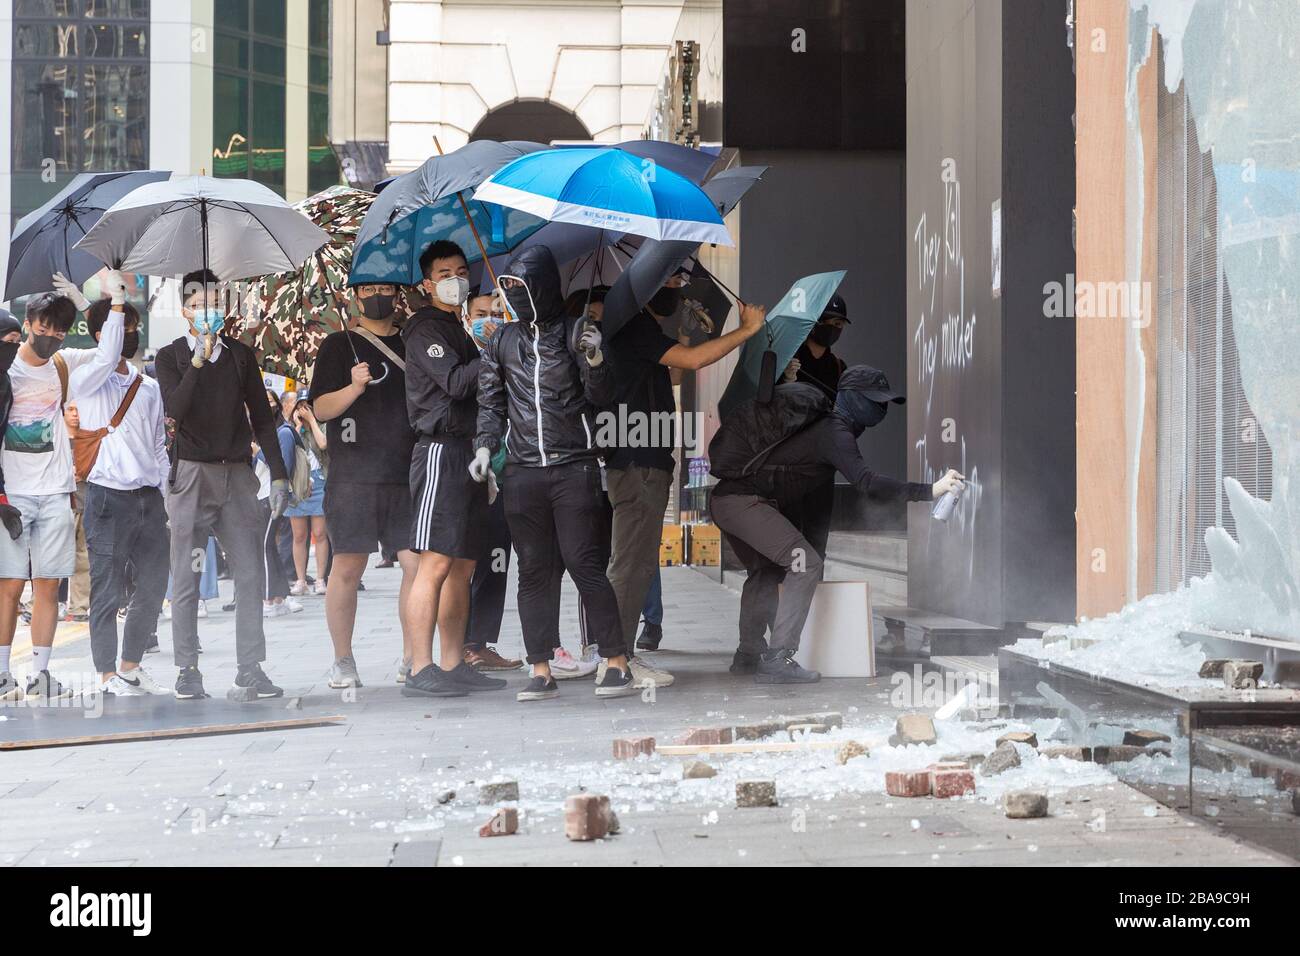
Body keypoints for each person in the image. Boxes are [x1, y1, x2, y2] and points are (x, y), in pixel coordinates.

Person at [709, 366, 964, 682]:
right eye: (874, 400)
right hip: (742, 502)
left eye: (884, 402)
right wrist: (930, 490)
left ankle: (748, 655)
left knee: (767, 571)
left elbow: (815, 501)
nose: (881, 408)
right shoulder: (835, 430)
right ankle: (777, 658)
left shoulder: (827, 428)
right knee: (804, 565)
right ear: (854, 398)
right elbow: (866, 482)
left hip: (730, 500)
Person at [472, 245, 633, 702]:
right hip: (522, 473)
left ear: (543, 287)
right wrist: (485, 447)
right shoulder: (501, 341)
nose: (515, 296)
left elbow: (602, 396)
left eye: (522, 287)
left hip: (574, 467)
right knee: (533, 572)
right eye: (509, 288)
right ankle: (540, 668)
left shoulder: (576, 330)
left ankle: (616, 661)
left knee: (585, 564)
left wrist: (596, 359)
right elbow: (491, 404)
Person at [600, 271, 766, 684]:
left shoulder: (636, 331)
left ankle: (614, 653)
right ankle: (616, 660)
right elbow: (691, 363)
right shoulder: (633, 325)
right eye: (672, 282)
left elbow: (674, 372)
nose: (678, 290)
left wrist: (689, 333)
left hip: (641, 460)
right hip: (638, 462)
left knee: (636, 563)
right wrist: (747, 330)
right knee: (632, 563)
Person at [156, 269, 292, 701]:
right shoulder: (170, 356)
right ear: (185, 310)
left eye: (215, 302)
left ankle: (250, 668)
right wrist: (197, 360)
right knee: (187, 575)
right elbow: (174, 413)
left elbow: (263, 418)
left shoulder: (241, 355)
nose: (208, 310)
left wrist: (281, 472)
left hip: (237, 474)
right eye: (199, 304)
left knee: (251, 572)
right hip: (192, 475)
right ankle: (187, 669)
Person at [0, 275, 121, 700]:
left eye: (59, 328)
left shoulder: (64, 364)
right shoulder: (4, 364)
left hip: (55, 490)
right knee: (11, 586)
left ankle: (40, 674)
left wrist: (91, 302)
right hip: (10, 495)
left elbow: (110, 352)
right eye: (44, 325)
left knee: (48, 583)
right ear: (29, 321)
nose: (50, 335)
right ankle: (2, 675)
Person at [401, 241, 505, 697]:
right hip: (440, 451)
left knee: (463, 564)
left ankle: (452, 659)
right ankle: (420, 667)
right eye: (445, 272)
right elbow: (458, 383)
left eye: (461, 270)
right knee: (435, 562)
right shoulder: (423, 329)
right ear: (427, 283)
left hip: (469, 451)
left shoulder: (457, 327)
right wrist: (491, 345)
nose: (455, 279)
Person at [310, 281, 418, 689]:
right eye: (369, 289)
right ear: (355, 298)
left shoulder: (412, 342)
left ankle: (413, 655)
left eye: (385, 288)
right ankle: (343, 660)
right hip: (353, 476)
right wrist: (354, 386)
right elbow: (321, 409)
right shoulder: (338, 346)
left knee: (416, 564)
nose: (378, 296)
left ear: (398, 294)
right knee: (349, 566)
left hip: (406, 472)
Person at [74, 298, 171, 696]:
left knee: (153, 584)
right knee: (107, 587)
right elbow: (107, 351)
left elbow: (159, 444)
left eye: (134, 326)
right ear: (103, 336)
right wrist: (114, 302)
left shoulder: (147, 385)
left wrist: (163, 494)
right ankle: (106, 675)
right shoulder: (87, 380)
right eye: (124, 327)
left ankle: (131, 667)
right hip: (106, 499)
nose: (132, 333)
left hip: (148, 497)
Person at [461, 291, 523, 672]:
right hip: (469, 472)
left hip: (512, 471)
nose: (490, 320)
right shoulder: (463, 356)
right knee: (462, 563)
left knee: (497, 562)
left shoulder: (514, 351)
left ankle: (479, 642)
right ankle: (460, 644)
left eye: (497, 313)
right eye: (481, 314)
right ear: (467, 318)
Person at [256, 390, 299, 618]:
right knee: (268, 547)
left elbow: (284, 466)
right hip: (260, 495)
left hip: (270, 497)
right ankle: (281, 595)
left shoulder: (283, 433)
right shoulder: (265, 433)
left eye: (270, 402)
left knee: (263, 547)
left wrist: (257, 452)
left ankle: (269, 598)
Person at [284, 393, 329, 596]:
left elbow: (323, 444)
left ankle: (320, 579)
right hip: (298, 483)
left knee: (320, 533)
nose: (303, 410)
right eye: (299, 406)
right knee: (299, 535)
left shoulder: (321, 424)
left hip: (319, 480)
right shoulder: (289, 430)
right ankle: (301, 579)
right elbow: (288, 449)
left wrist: (312, 421)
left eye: (307, 406)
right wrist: (297, 427)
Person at [790, 293, 849, 398]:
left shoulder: (839, 368)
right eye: (823, 321)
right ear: (812, 321)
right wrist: (787, 380)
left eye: (837, 324)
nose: (831, 328)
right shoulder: (789, 361)